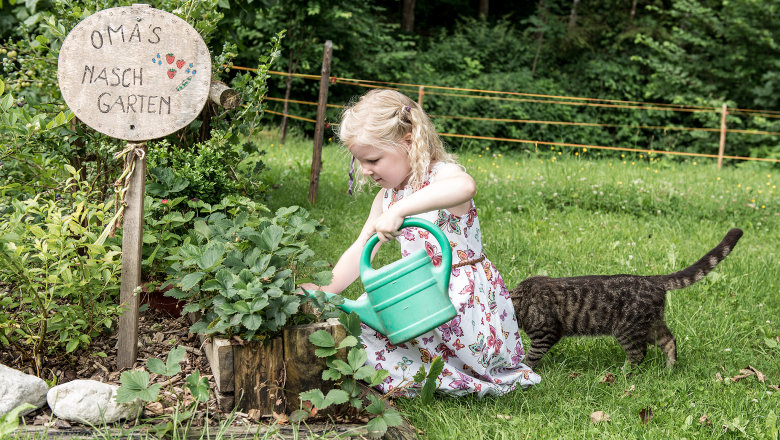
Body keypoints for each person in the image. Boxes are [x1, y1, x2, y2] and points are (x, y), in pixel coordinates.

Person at [301, 89, 540, 397]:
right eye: (359, 161)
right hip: (419, 293)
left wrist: (401, 209)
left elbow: (466, 186)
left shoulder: (443, 176)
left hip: (459, 297)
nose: (365, 170)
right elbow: (362, 247)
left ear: (409, 142)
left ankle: (453, 371)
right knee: (358, 326)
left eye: (373, 159)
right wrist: (325, 291)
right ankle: (428, 370)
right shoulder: (386, 196)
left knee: (389, 336)